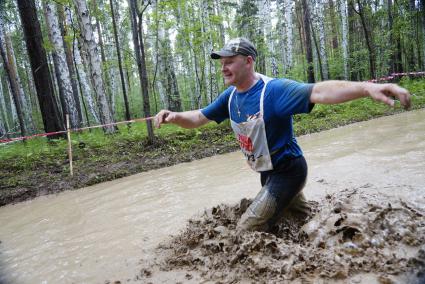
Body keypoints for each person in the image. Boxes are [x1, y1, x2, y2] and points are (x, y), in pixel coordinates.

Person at [154, 37, 411, 233]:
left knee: (246, 230)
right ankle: (331, 235)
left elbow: (319, 92)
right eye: (222, 63)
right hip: (267, 172)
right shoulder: (230, 97)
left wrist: (367, 88)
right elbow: (198, 118)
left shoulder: (274, 90)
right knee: (303, 221)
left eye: (229, 61)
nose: (224, 68)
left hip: (288, 171)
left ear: (248, 61)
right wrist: (174, 116)